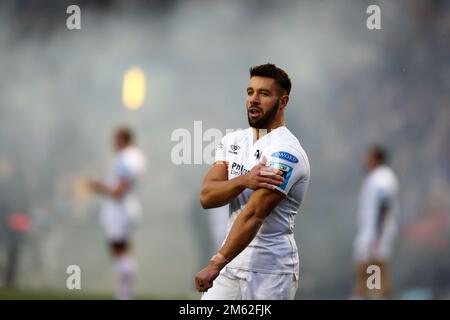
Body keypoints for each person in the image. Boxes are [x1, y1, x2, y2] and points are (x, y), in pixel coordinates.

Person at [195, 63, 310, 300]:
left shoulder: (286, 153)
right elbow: (207, 196)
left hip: (269, 270)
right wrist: (244, 180)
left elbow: (254, 213)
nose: (254, 100)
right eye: (250, 92)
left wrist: (216, 263)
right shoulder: (232, 141)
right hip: (231, 262)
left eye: (264, 93)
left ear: (283, 102)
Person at [88, 126, 146, 300]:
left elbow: (118, 190)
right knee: (123, 251)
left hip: (119, 210)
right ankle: (124, 294)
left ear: (122, 139)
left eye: (115, 139)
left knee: (119, 252)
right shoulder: (136, 156)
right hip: (128, 207)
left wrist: (98, 186)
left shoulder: (126, 158)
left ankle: (124, 296)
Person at [352, 144, 399, 299]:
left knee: (372, 268)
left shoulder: (382, 178)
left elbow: (383, 205)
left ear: (376, 159)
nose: (364, 160)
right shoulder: (377, 177)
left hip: (376, 232)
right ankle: (371, 295)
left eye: (368, 157)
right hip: (374, 231)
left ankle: (367, 296)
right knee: (374, 268)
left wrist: (377, 235)